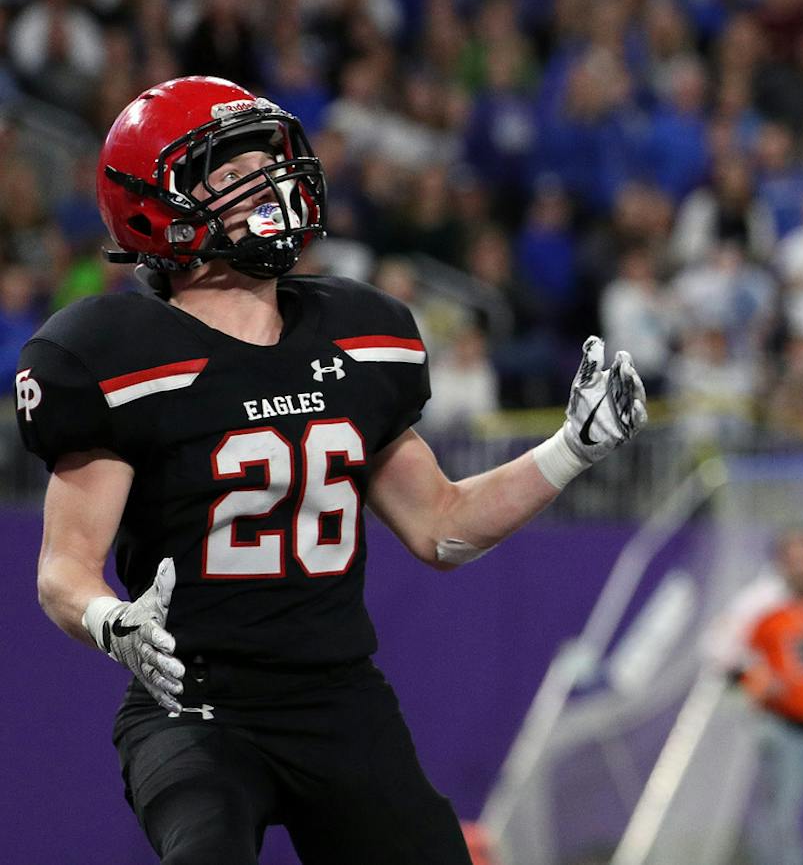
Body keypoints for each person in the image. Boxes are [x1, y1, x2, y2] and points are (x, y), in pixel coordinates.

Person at [20, 76, 648, 865]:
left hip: (337, 697)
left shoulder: (357, 331)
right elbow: (63, 568)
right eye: (228, 172)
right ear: (158, 207)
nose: (268, 185)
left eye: (267, 161)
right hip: (195, 699)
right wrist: (113, 624)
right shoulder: (113, 353)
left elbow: (442, 528)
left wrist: (571, 449)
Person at [707, 529, 803, 865]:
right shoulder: (759, 601)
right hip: (783, 724)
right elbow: (715, 647)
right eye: (794, 560)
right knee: (780, 818)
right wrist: (749, 676)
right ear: (780, 562)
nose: (802, 568)